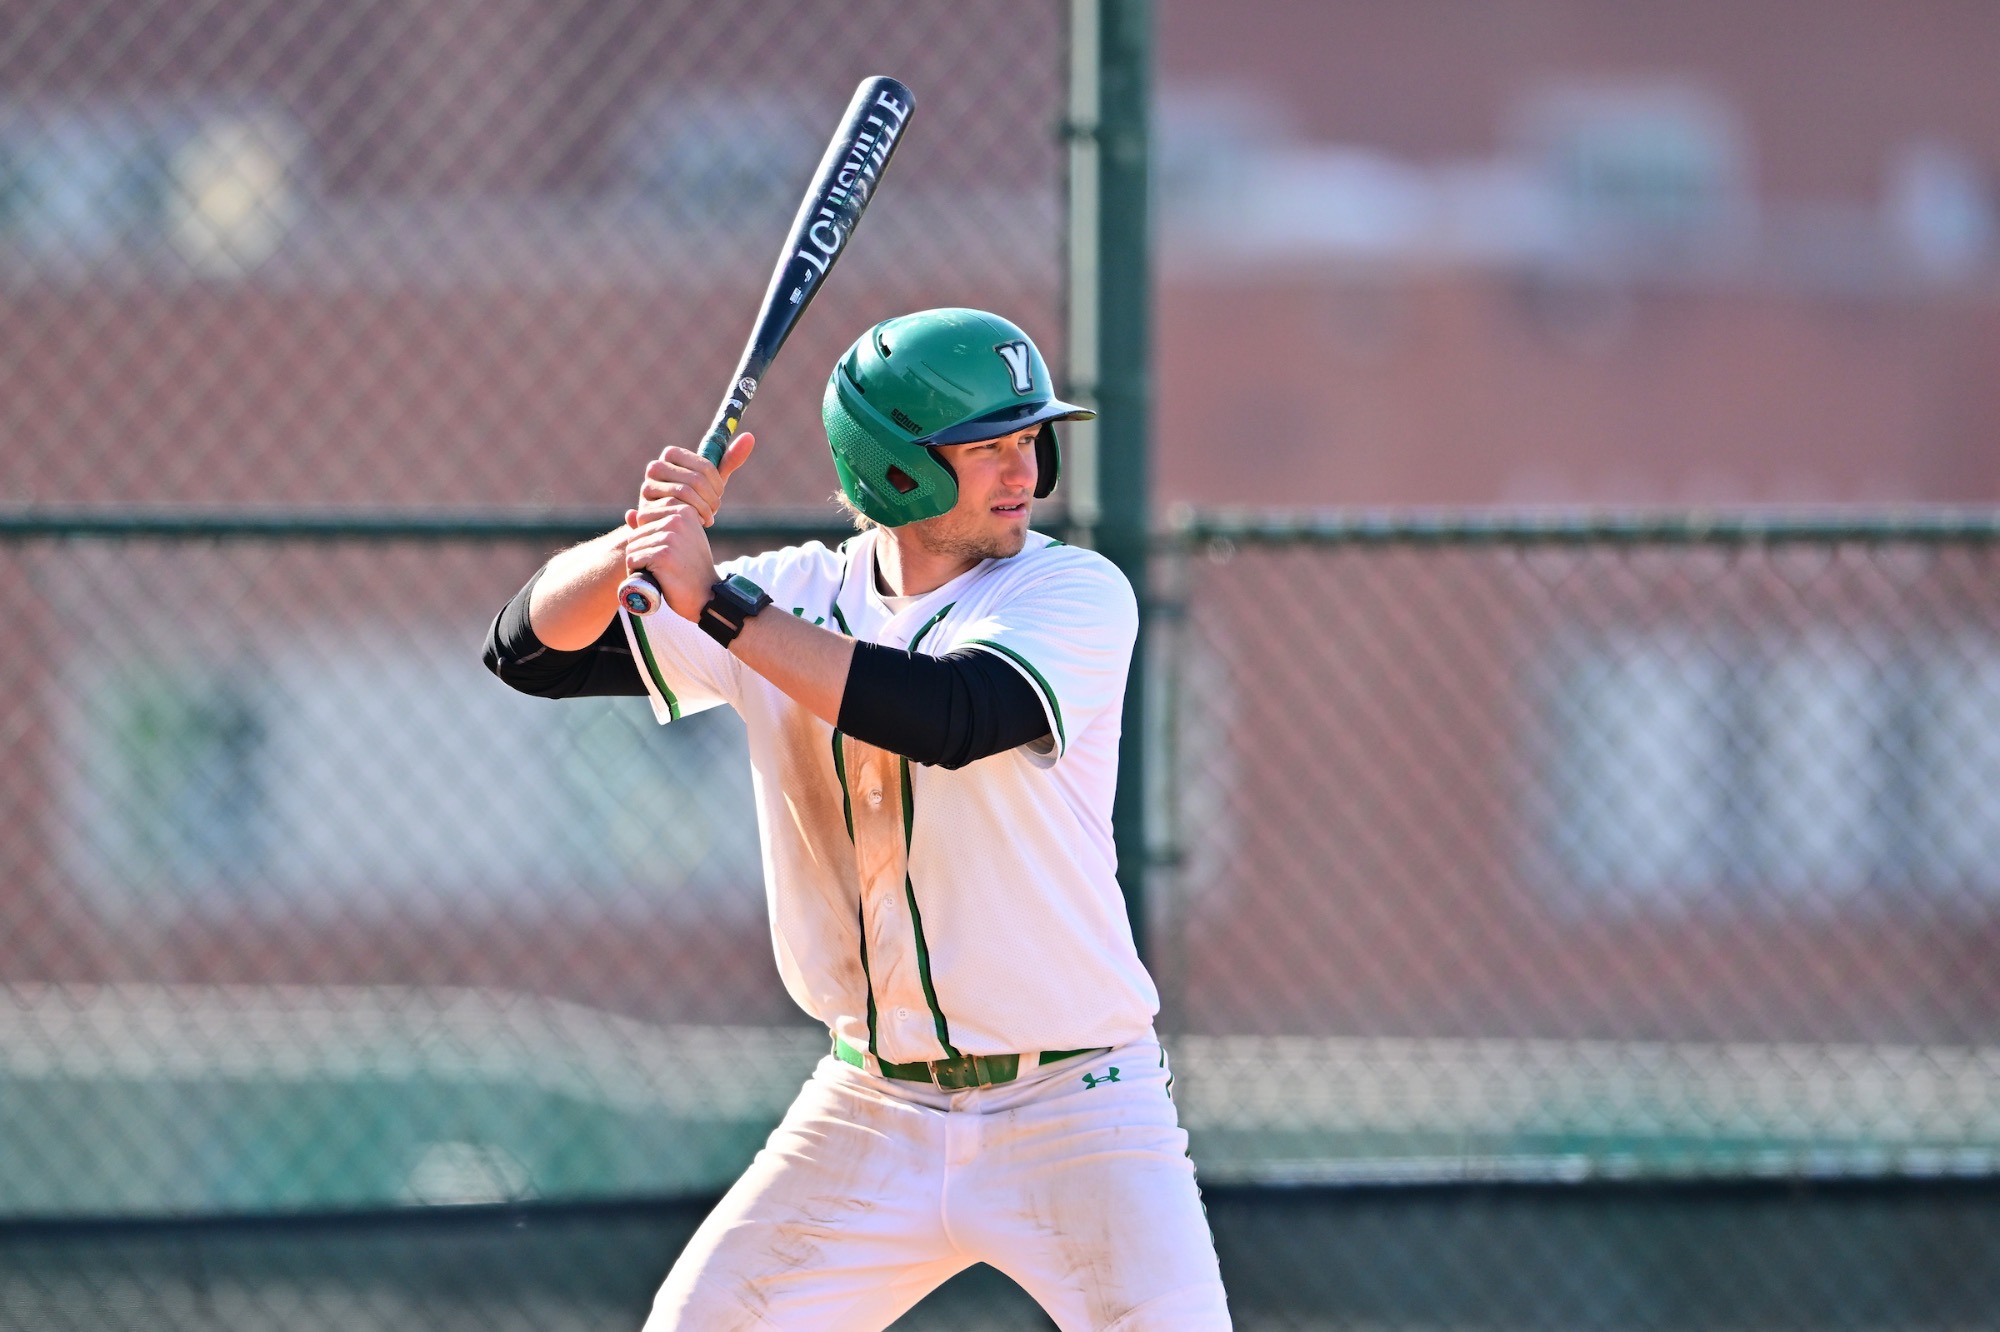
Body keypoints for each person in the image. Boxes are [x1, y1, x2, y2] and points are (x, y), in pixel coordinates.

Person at [484, 307, 1230, 1330]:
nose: (1023, 472)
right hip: (870, 1106)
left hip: (1076, 1108)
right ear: (893, 470)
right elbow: (530, 653)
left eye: (1027, 441)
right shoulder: (793, 591)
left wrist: (716, 608)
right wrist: (641, 543)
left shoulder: (1069, 589)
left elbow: (950, 715)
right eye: (985, 448)